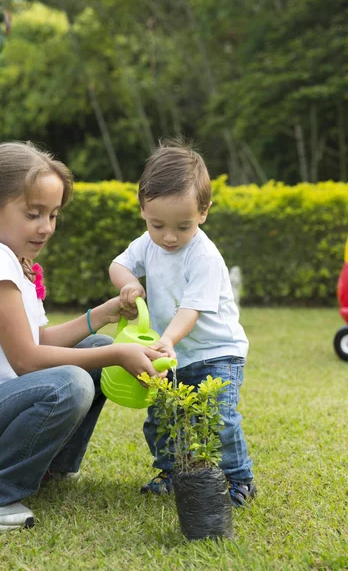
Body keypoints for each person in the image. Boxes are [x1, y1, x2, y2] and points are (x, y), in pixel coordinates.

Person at [0, 141, 166, 531]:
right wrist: (118, 355)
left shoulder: (9, 258)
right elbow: (27, 359)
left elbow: (41, 339)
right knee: (71, 382)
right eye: (33, 214)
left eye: (53, 214)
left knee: (95, 349)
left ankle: (48, 469)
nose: (46, 227)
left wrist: (104, 313)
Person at [109, 138, 256, 507]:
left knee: (217, 418)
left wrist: (168, 339)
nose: (169, 237)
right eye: (158, 224)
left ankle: (239, 479)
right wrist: (128, 284)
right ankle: (170, 472)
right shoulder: (147, 242)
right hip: (170, 353)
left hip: (215, 353)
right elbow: (119, 264)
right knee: (161, 418)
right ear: (143, 207)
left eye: (183, 226)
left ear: (204, 212)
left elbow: (190, 309)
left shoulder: (203, 255)